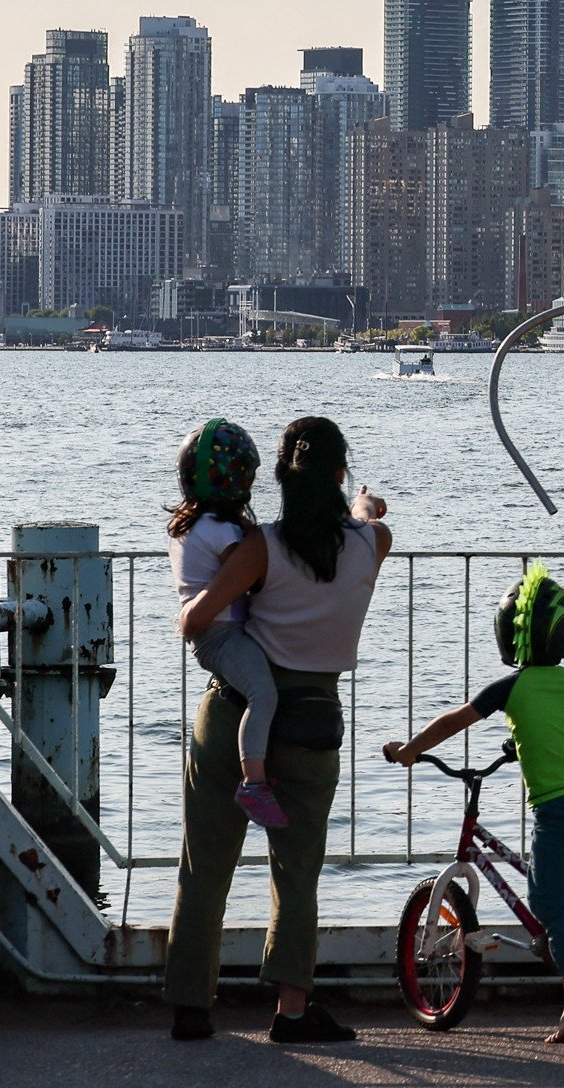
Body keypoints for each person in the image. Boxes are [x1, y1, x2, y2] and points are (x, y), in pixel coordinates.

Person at [166, 416, 392, 1045]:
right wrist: (361, 501)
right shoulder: (373, 543)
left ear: (281, 480)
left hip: (235, 712)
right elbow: (366, 514)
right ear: (339, 474)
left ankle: (191, 1006)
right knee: (297, 872)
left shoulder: (258, 547)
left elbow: (198, 621)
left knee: (204, 866)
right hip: (314, 720)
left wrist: (193, 598)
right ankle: (292, 1011)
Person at [383, 563, 564, 1043]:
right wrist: (517, 746)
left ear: (511, 636)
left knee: (546, 901)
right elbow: (557, 728)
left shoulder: (510, 688)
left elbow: (454, 720)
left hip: (558, 810)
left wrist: (410, 750)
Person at [166, 420, 285, 829]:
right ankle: (253, 781)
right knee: (262, 693)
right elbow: (255, 569)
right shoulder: (222, 532)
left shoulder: (189, 525)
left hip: (212, 634)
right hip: (222, 634)